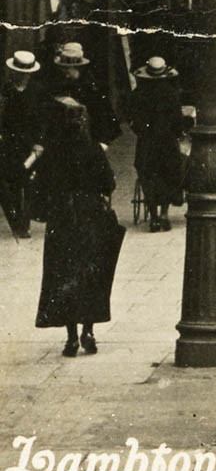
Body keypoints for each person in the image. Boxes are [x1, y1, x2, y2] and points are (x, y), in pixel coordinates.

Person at [32, 96, 124, 358]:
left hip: (62, 219)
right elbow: (109, 183)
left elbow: (40, 189)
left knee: (63, 274)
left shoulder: (53, 152)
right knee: (91, 273)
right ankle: (89, 331)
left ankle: (71, 337)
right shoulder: (93, 148)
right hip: (90, 217)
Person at [128, 57, 188, 233]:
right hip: (167, 142)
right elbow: (178, 121)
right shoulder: (171, 94)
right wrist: (178, 133)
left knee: (148, 175)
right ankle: (164, 214)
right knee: (169, 173)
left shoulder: (138, 94)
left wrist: (141, 131)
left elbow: (133, 119)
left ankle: (153, 216)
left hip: (147, 142)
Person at [1, 50, 43, 238]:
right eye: (19, 72)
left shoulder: (37, 92)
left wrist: (39, 143)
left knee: (27, 183)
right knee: (9, 183)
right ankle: (15, 220)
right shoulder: (6, 90)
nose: (22, 75)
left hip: (30, 145)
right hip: (8, 142)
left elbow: (43, 120)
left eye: (25, 73)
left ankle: (23, 224)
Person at [47, 42, 119, 150]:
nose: (65, 73)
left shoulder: (91, 87)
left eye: (68, 69)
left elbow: (105, 117)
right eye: (62, 69)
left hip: (88, 139)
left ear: (78, 67)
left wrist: (102, 144)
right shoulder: (60, 82)